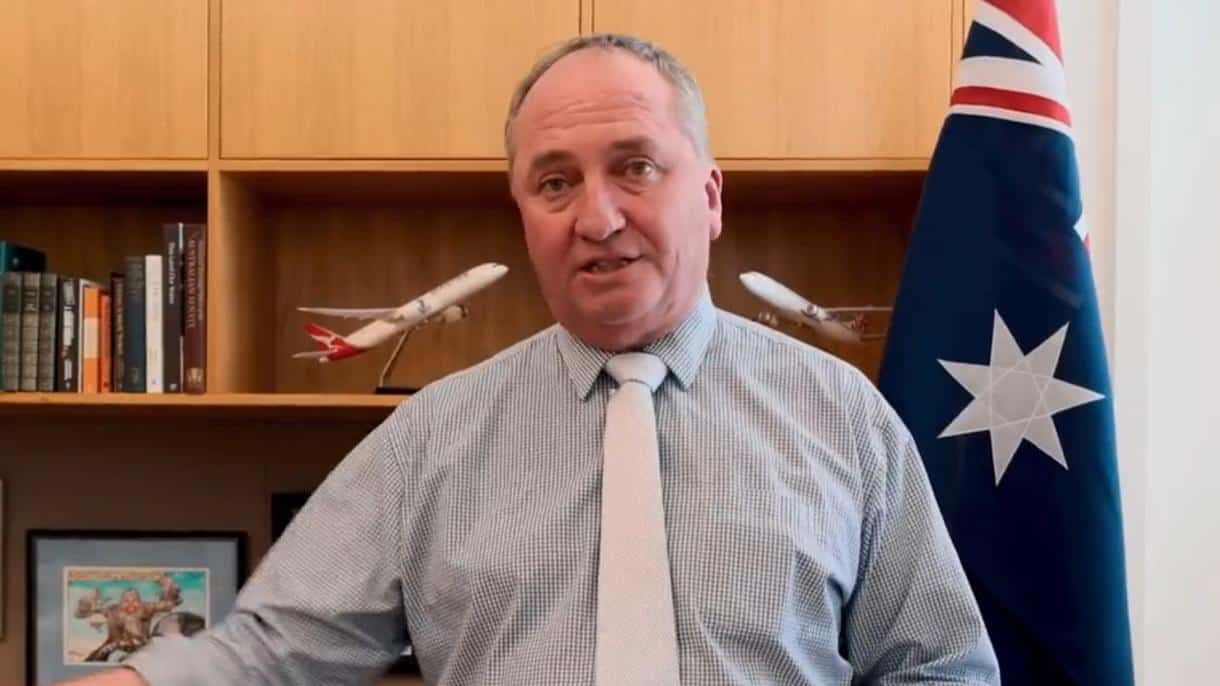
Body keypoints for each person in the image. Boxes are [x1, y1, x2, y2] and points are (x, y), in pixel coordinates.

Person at [62, 33, 999, 685]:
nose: (598, 217)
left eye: (636, 166)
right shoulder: (429, 438)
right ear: (523, 214)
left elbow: (939, 667)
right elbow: (271, 653)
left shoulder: (845, 416)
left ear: (710, 196)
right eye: (555, 182)